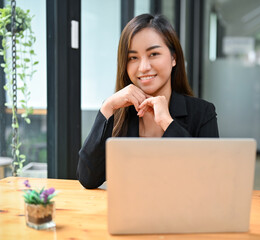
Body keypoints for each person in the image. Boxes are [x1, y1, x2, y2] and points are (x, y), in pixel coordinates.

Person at [77, 14, 219, 189]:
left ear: (174, 58)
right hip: (128, 213)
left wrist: (167, 123)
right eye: (133, 58)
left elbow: (210, 179)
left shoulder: (203, 112)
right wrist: (107, 107)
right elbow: (88, 179)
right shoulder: (119, 113)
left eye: (154, 54)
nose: (143, 67)